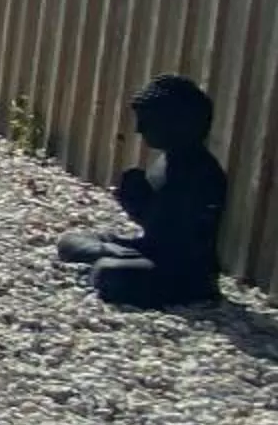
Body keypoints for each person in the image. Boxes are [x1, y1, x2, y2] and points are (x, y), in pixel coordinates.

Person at [57, 74, 225, 308]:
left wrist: (142, 208)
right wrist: (135, 205)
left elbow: (181, 239)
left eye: (148, 121)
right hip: (150, 249)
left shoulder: (201, 173)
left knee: (110, 274)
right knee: (69, 241)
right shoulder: (166, 161)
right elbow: (154, 227)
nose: (139, 129)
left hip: (184, 270)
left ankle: (114, 261)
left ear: (178, 123)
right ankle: (110, 253)